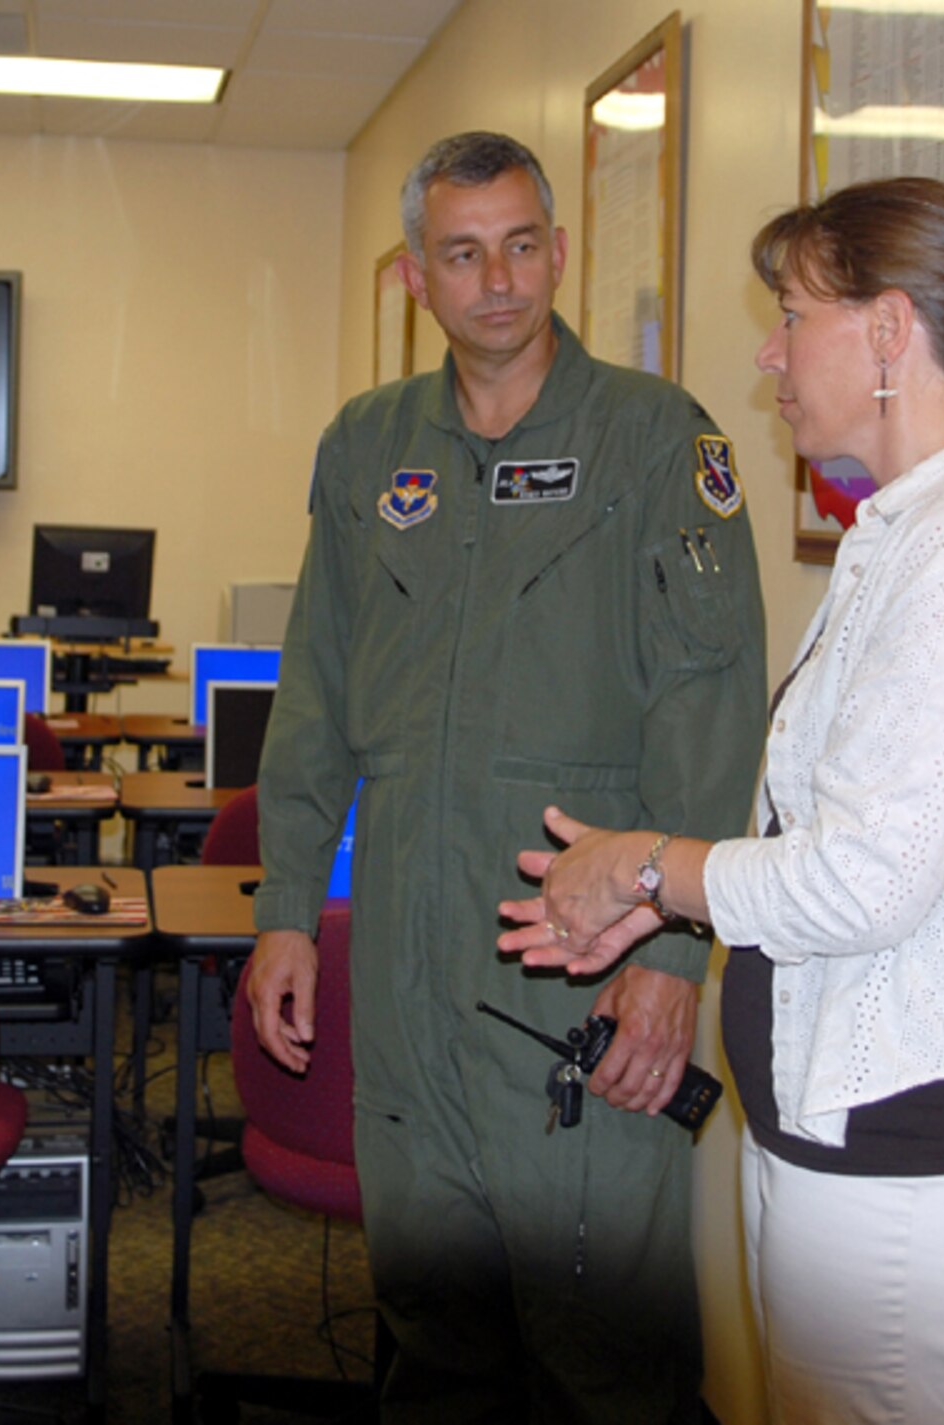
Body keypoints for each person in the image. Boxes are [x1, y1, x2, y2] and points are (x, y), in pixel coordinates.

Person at [502, 176, 944, 1424]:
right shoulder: (909, 536)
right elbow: (848, 843)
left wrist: (646, 869)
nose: (767, 351)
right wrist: (673, 899)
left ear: (887, 332)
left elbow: (864, 882)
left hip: (934, 1150)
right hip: (878, 1134)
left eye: (791, 316)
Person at [246, 131, 767, 1422]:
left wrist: (670, 962)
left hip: (576, 958)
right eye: (465, 253)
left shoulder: (655, 438)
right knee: (435, 1335)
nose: (500, 281)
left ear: (560, 252)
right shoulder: (370, 448)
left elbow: (709, 708)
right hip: (411, 968)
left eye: (523, 246)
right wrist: (283, 913)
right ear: (417, 274)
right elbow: (315, 694)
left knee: (608, 1339)